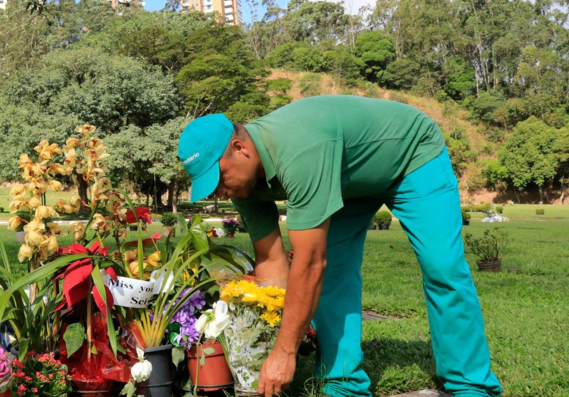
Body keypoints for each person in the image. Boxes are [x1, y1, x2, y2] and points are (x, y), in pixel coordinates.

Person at [178, 95, 501, 397]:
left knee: (442, 266)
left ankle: (469, 382)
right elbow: (271, 261)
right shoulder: (243, 186)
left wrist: (286, 352)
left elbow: (309, 263)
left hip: (410, 155)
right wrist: (266, 337)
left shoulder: (299, 150)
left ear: (240, 148)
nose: (218, 193)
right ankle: (343, 381)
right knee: (333, 273)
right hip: (348, 178)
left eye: (218, 178)